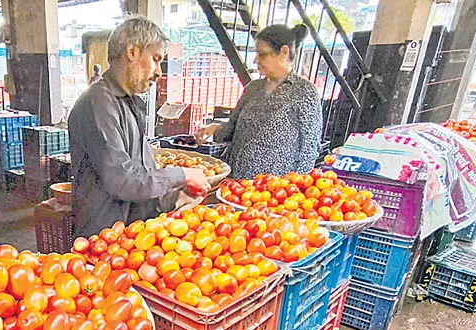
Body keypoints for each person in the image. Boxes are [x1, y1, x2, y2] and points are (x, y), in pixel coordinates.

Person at [68, 16, 209, 237]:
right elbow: (123, 181)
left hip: (133, 237)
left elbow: (142, 173)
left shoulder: (129, 103)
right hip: (104, 240)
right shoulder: (97, 104)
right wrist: (181, 174)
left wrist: (175, 196)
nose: (159, 71)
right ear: (132, 52)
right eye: (155, 59)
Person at [196, 24, 323, 179]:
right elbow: (232, 128)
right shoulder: (253, 88)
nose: (256, 60)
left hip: (275, 191)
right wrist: (215, 128)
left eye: (262, 54)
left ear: (284, 52)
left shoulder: (304, 92)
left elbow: (309, 148)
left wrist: (295, 187)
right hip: (236, 183)